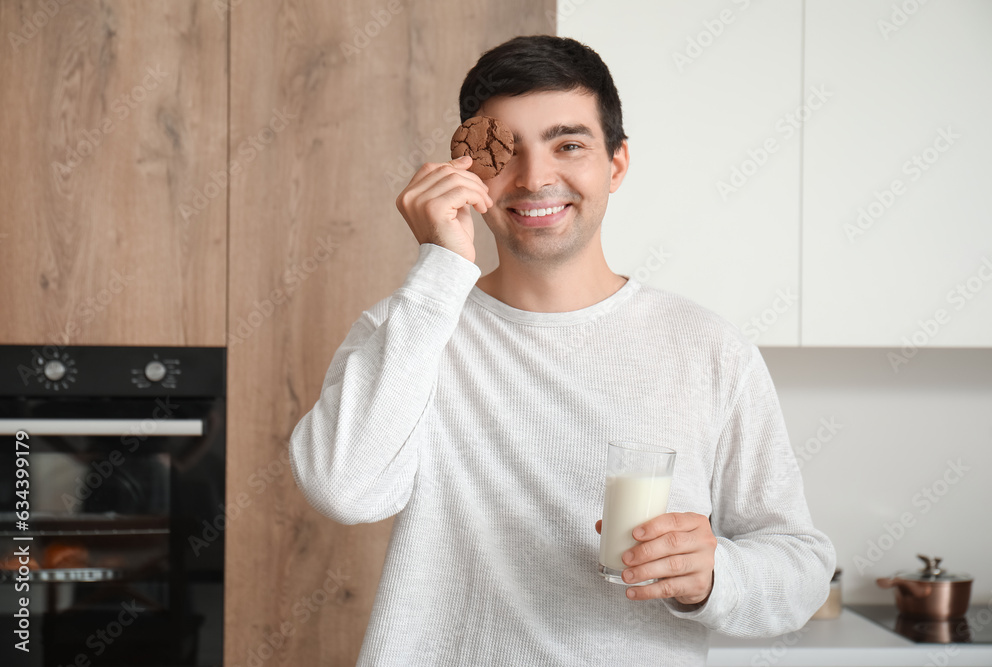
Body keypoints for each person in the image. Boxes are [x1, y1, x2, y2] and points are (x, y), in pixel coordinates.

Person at [290, 35, 836, 666]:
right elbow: (345, 489)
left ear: (617, 163)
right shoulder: (413, 325)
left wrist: (713, 575)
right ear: (469, 169)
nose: (534, 178)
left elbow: (800, 565)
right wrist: (439, 268)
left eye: (568, 144)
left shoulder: (707, 347)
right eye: (507, 151)